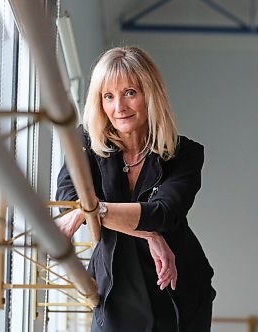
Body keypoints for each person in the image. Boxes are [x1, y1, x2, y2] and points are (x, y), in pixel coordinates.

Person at [55, 46, 215, 332]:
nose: (120, 107)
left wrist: (93, 209)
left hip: (178, 287)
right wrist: (149, 234)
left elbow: (164, 213)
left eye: (130, 92)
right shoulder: (84, 144)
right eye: (109, 96)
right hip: (115, 288)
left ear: (151, 95)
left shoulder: (185, 154)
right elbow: (69, 201)